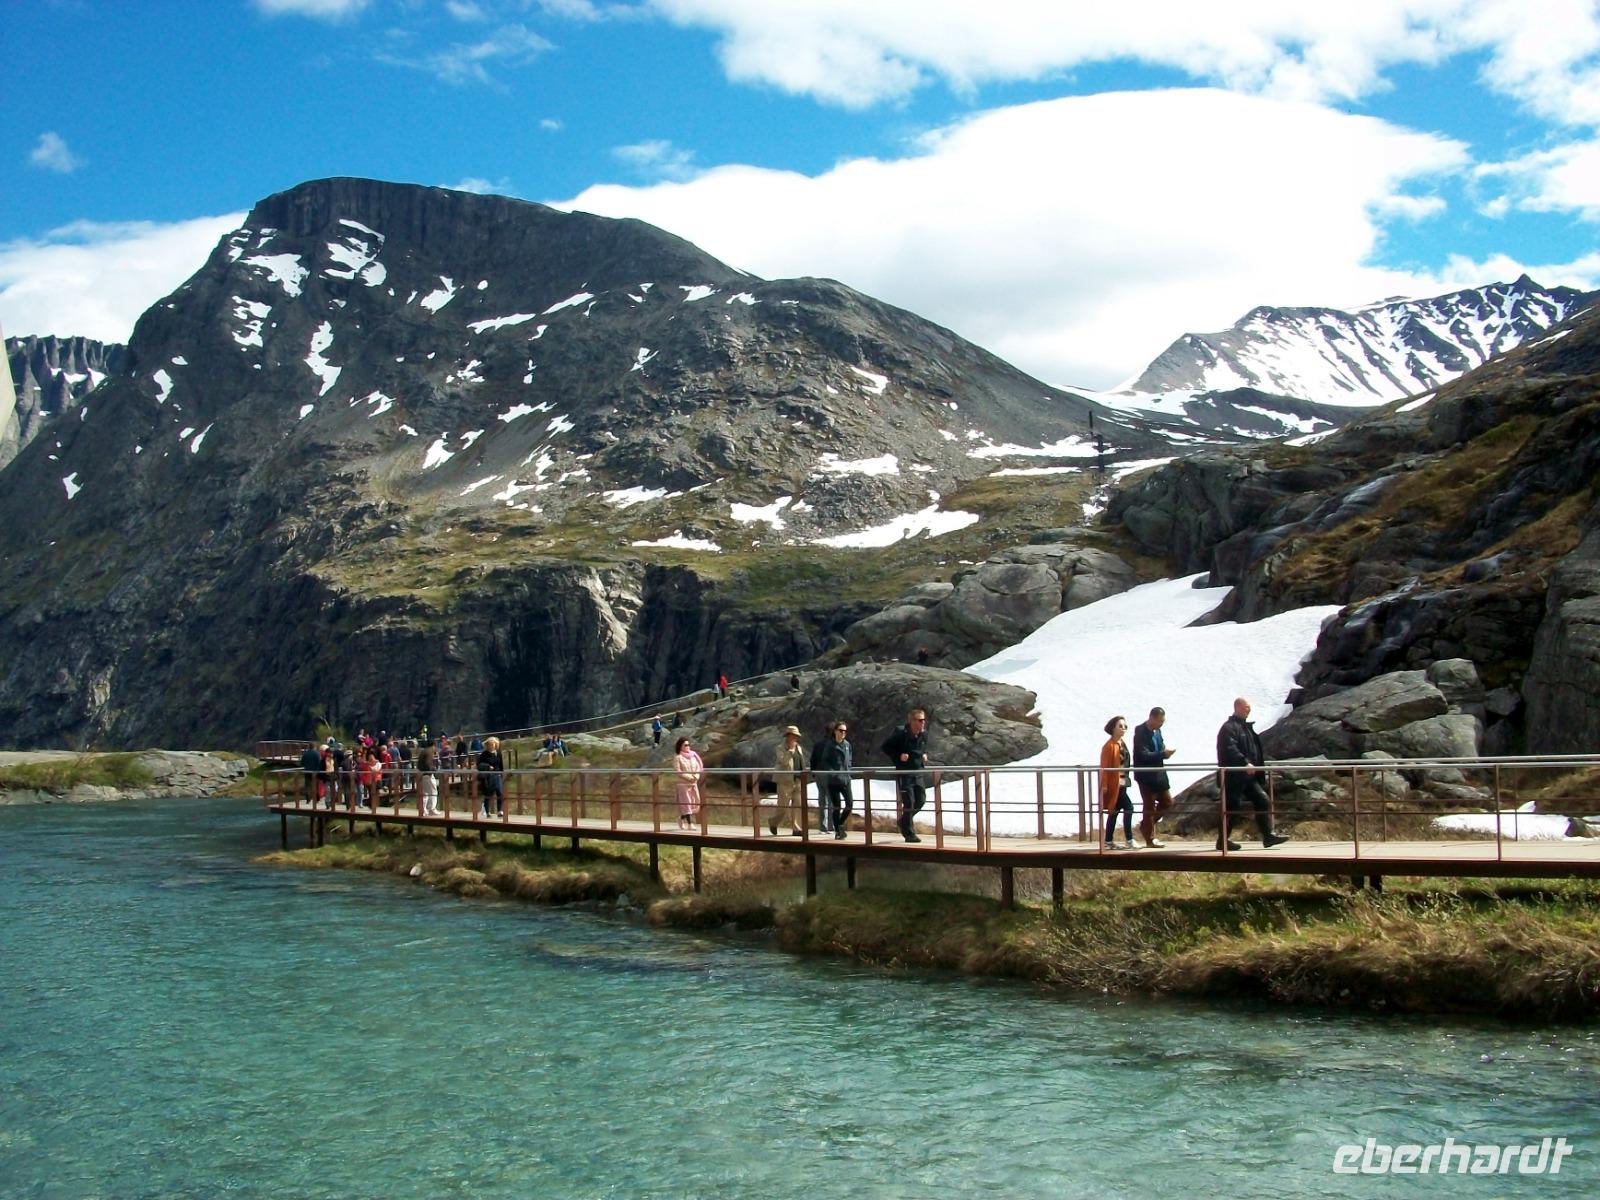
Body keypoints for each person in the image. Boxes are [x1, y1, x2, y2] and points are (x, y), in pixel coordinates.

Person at [1216, 697, 1291, 850]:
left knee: (1262, 800)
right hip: (1234, 775)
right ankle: (1222, 840)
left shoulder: (1245, 728)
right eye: (1246, 707)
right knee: (1232, 806)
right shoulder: (1229, 728)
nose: (1248, 709)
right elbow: (1229, 749)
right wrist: (1244, 762)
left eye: (1249, 707)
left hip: (1248, 776)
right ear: (1237, 707)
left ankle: (1268, 836)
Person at [882, 709, 930, 843]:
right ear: (912, 721)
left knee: (920, 800)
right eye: (920, 720)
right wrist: (899, 756)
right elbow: (885, 747)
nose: (923, 722)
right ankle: (909, 833)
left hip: (918, 772)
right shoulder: (900, 733)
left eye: (924, 720)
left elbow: (922, 748)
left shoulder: (924, 734)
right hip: (905, 772)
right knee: (909, 802)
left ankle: (903, 821)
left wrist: (924, 755)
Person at [1132, 706, 1176, 847]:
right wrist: (1162, 754)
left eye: (1163, 721)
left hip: (1159, 774)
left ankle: (1145, 825)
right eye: (1159, 721)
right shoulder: (1140, 731)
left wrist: (1165, 752)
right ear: (1151, 718)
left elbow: (1160, 747)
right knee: (1149, 806)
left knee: (1167, 802)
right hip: (1146, 776)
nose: (1161, 724)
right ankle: (1150, 839)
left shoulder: (1158, 731)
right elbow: (1143, 754)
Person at [812, 720, 854, 839]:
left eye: (845, 731)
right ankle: (838, 832)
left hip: (846, 779)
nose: (843, 733)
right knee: (836, 806)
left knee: (850, 804)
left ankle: (839, 824)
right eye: (841, 730)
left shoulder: (847, 745)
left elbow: (850, 759)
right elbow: (825, 761)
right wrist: (833, 773)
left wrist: (849, 770)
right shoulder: (830, 746)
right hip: (833, 781)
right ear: (835, 731)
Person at [1099, 716, 1136, 850]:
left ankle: (1108, 841)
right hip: (1115, 784)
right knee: (1129, 808)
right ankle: (1129, 839)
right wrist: (1104, 785)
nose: (1123, 729)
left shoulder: (1122, 744)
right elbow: (1104, 766)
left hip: (1123, 782)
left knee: (1114, 811)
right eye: (1120, 726)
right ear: (1113, 728)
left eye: (1125, 726)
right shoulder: (1109, 746)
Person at [771, 725, 807, 835]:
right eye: (794, 735)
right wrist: (790, 751)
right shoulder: (780, 748)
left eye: (797, 736)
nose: (796, 738)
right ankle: (773, 822)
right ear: (788, 736)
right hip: (784, 782)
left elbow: (801, 762)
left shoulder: (799, 747)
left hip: (797, 780)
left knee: (797, 805)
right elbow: (783, 762)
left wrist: (804, 773)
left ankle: (796, 828)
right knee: (783, 806)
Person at [673, 736, 703, 829]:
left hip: (693, 783)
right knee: (686, 803)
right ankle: (690, 824)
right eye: (685, 745)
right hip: (683, 784)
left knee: (695, 802)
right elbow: (678, 771)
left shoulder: (693, 757)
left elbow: (698, 767)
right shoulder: (678, 758)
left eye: (688, 745)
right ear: (680, 746)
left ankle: (681, 818)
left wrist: (696, 776)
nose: (688, 746)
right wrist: (689, 777)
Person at [476, 736, 505, 818]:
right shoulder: (484, 754)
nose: (491, 746)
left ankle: (500, 810)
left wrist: (502, 774)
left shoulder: (498, 753)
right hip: (488, 776)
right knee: (488, 793)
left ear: (495, 745)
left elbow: (501, 765)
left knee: (500, 792)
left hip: (497, 774)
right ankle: (487, 811)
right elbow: (479, 765)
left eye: (492, 744)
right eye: (489, 744)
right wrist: (488, 766)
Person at [417, 744, 440, 816]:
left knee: (425, 793)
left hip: (422, 774)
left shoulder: (423, 752)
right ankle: (431, 809)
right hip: (428, 774)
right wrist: (433, 769)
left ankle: (423, 810)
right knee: (433, 791)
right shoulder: (429, 752)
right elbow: (428, 764)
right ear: (433, 746)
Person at [298, 740, 322, 807]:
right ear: (314, 747)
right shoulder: (317, 754)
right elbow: (319, 763)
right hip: (315, 772)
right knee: (316, 786)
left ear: (309, 746)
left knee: (308, 786)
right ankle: (317, 799)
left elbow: (302, 763)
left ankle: (308, 799)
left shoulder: (305, 754)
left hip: (307, 771)